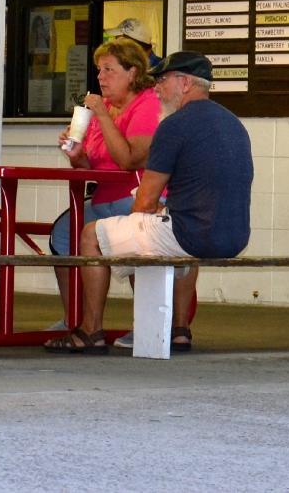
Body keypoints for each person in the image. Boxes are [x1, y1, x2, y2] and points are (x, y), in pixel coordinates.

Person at [47, 51, 252, 354]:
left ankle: (90, 330)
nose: (155, 88)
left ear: (184, 84)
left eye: (163, 80)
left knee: (91, 234)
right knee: (155, 228)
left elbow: (144, 199)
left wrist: (142, 219)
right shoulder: (233, 123)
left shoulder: (173, 125)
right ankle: (179, 330)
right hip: (235, 236)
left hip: (190, 236)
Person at [47, 36, 161, 329]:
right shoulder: (104, 108)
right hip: (103, 198)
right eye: (99, 69)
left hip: (138, 198)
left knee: (132, 243)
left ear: (132, 72)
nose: (100, 76)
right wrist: (77, 154)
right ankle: (75, 317)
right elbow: (92, 165)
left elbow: (130, 160)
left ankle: (147, 326)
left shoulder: (147, 104)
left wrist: (101, 114)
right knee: (63, 235)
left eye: (109, 69)